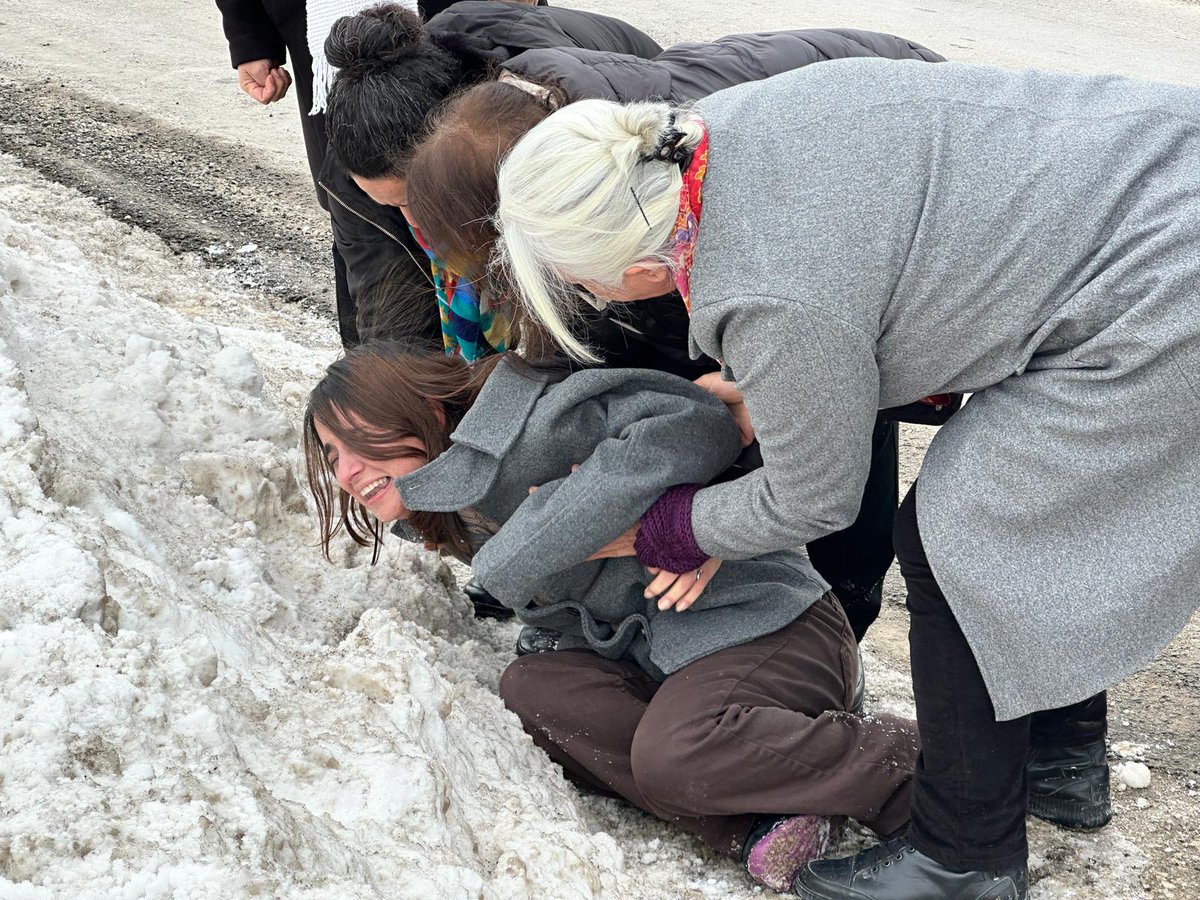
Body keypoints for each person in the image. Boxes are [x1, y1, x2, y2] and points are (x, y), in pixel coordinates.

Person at [488, 61, 1200, 898]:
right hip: (1152, 158)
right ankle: (1057, 759)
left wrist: (669, 529)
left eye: (581, 281)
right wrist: (783, 383)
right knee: (1041, 512)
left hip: (1160, 272)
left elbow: (814, 496)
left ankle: (962, 857)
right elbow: (864, 268)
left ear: (641, 270)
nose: (587, 293)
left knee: (963, 530)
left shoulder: (767, 291)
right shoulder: (699, 137)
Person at [396, 28, 953, 641]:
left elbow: (820, 453)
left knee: (895, 504)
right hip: (882, 180)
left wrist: (689, 521)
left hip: (934, 190)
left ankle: (843, 614)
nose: (576, 293)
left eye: (577, 280)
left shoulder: (736, 255)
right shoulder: (637, 167)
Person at [302, 342, 920, 891]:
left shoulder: (538, 419)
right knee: (532, 692)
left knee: (674, 756)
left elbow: (700, 422)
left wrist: (563, 518)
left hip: (762, 625)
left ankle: (921, 767)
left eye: (354, 442)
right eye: (332, 459)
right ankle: (765, 822)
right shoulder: (444, 508)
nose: (347, 474)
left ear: (426, 412)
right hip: (663, 660)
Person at [318, 1, 662, 346]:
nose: (414, 223)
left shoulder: (547, 117)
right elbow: (385, 300)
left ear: (452, 149)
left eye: (414, 199)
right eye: (393, 206)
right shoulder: (358, 146)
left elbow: (613, 289)